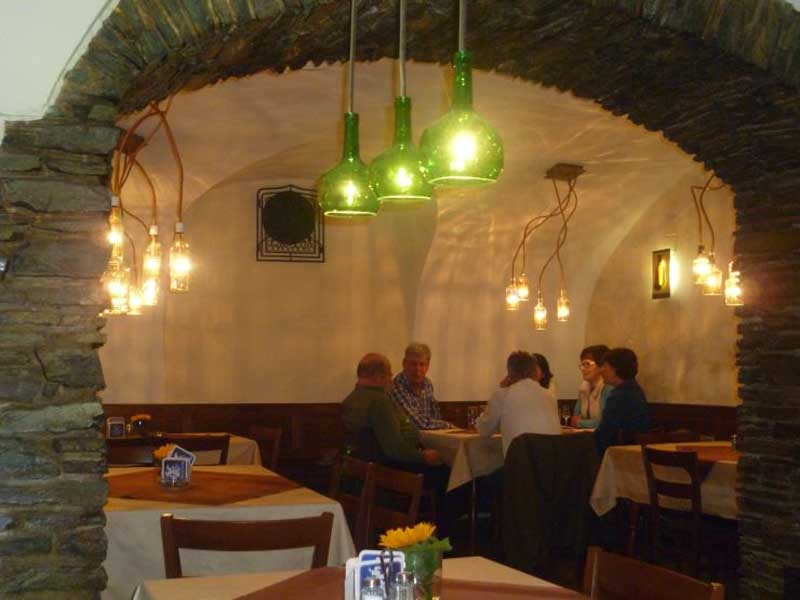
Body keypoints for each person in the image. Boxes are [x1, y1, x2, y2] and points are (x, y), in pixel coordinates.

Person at [341, 353, 442, 466]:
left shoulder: (349, 400)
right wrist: (423, 456)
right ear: (378, 376)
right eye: (389, 374)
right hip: (391, 468)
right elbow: (395, 449)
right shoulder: (379, 402)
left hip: (361, 466)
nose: (390, 379)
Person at [476, 351, 561, 456]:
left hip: (521, 463)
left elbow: (484, 430)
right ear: (535, 372)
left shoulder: (502, 396)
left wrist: (503, 389)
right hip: (553, 462)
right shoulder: (550, 396)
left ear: (510, 373)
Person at [594, 347, 651, 455]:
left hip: (621, 452)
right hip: (635, 450)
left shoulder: (620, 395)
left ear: (615, 370)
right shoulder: (634, 390)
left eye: (605, 366)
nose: (601, 370)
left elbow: (605, 434)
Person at [389, 342, 451, 430]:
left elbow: (436, 417)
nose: (417, 369)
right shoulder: (396, 386)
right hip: (407, 437)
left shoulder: (427, 384)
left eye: (422, 364)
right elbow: (416, 423)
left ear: (428, 366)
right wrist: (448, 426)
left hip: (430, 436)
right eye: (413, 364)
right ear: (404, 364)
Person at [571, 345, 613, 429]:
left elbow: (604, 422)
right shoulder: (583, 388)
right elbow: (574, 418)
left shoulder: (608, 388)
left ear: (601, 366)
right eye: (582, 364)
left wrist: (580, 423)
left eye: (587, 364)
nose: (583, 368)